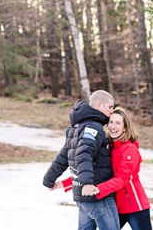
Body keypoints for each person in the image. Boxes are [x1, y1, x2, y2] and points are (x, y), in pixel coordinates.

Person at [43, 90, 120, 230]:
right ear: (99, 105)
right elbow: (84, 154)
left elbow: (63, 156)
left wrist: (49, 179)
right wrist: (87, 184)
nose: (112, 111)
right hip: (95, 194)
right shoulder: (93, 128)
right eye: (110, 107)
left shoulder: (76, 128)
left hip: (82, 196)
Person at [88, 107, 153, 230]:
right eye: (111, 122)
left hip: (135, 207)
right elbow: (97, 172)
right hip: (116, 207)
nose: (113, 126)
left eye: (118, 123)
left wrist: (98, 189)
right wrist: (66, 183)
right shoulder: (108, 148)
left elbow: (123, 178)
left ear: (125, 127)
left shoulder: (130, 149)